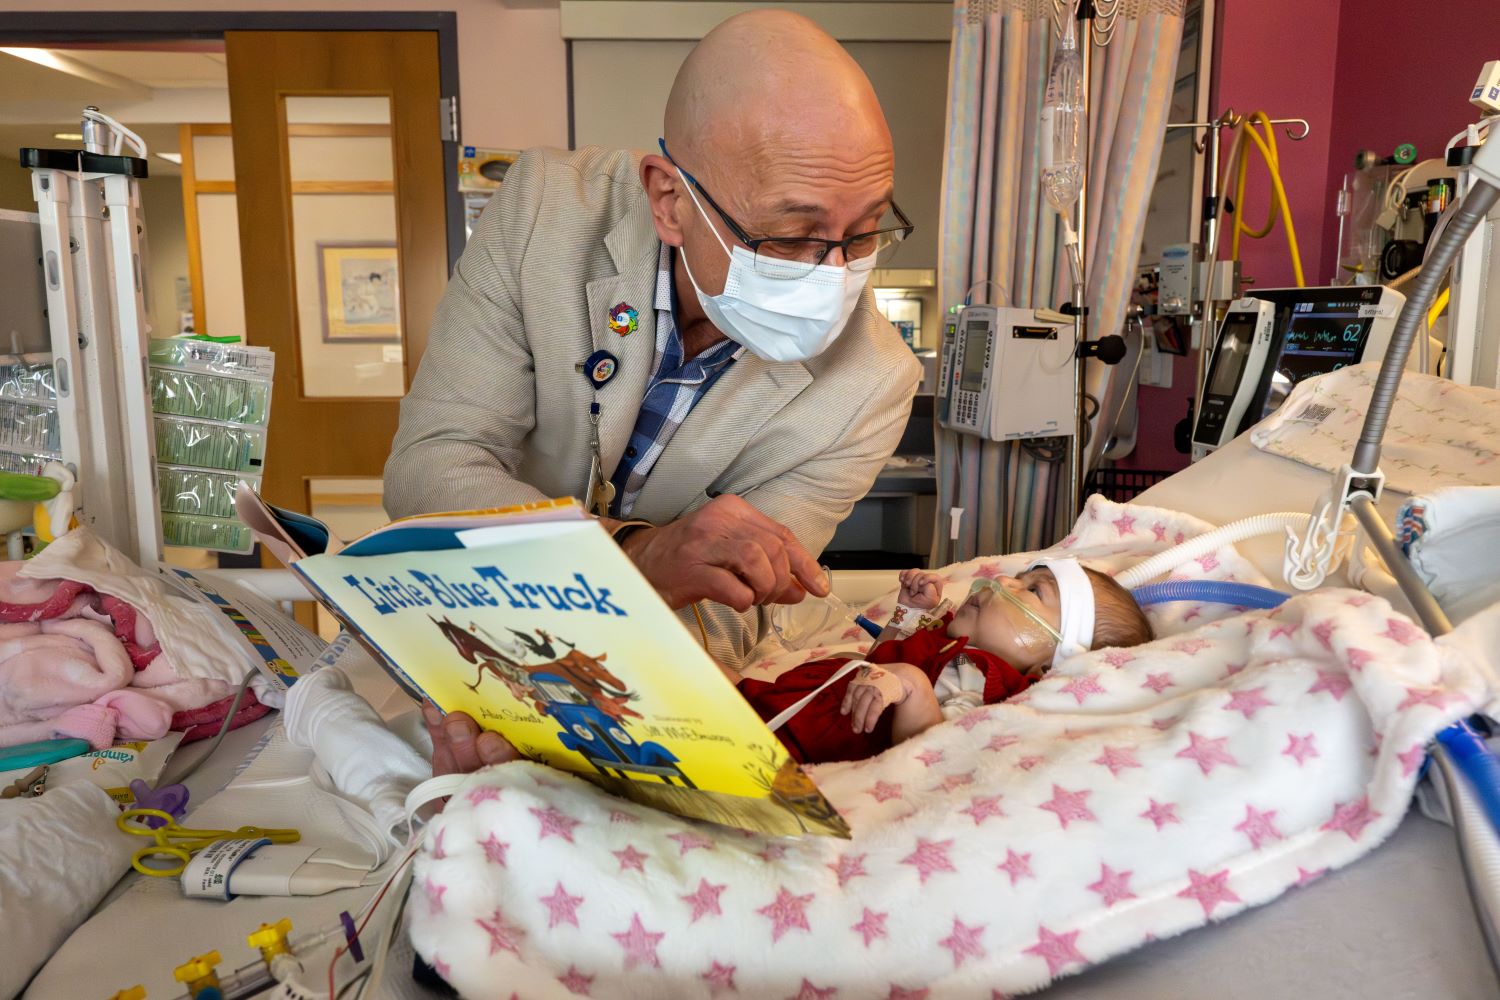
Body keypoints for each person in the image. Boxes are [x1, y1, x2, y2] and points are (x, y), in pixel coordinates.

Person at [400, 10, 922, 774]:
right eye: (789, 236)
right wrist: (636, 555)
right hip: (480, 619)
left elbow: (740, 603)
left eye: (867, 230)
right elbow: (431, 471)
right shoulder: (545, 213)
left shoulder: (871, 383)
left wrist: (561, 700)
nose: (831, 272)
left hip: (647, 669)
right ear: (670, 201)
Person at [736, 559, 1155, 764]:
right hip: (779, 703)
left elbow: (931, 750)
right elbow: (884, 658)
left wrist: (910, 685)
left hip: (788, 743)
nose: (1004, 581)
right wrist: (908, 616)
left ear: (1052, 662)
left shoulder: (980, 681)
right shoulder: (955, 644)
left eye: (1033, 591)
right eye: (1020, 575)